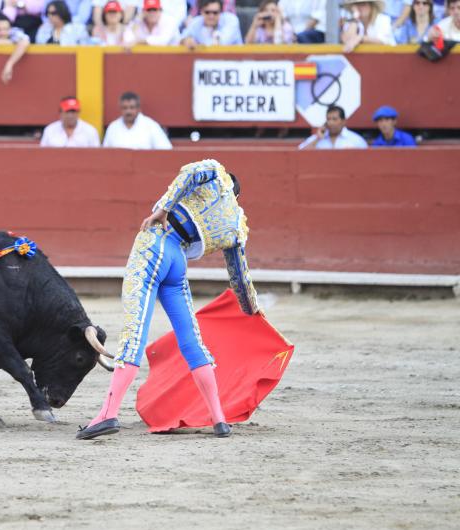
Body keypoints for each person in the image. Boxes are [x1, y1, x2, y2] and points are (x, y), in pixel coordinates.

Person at [76, 159, 260, 440]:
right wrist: (252, 309)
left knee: (135, 331)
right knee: (192, 341)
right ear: (237, 197)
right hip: (178, 264)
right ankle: (219, 419)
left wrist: (162, 208)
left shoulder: (213, 173)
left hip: (154, 245)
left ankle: (107, 414)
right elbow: (241, 281)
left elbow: (190, 172)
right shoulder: (235, 225)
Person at [103, 91, 172, 150]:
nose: (128, 111)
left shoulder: (151, 126)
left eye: (132, 107)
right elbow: (105, 153)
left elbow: (166, 150)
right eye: (125, 108)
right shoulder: (113, 127)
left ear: (138, 108)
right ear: (120, 108)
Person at [298, 105, 368, 149]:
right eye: (328, 119)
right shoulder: (317, 138)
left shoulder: (356, 140)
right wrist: (317, 139)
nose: (330, 123)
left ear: (343, 121)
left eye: (334, 119)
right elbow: (299, 154)